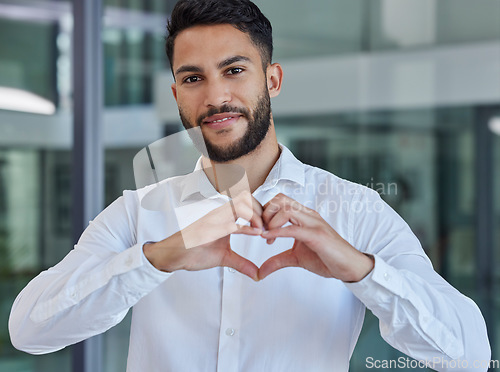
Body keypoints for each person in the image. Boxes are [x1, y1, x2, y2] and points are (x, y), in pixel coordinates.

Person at [9, 0, 490, 371]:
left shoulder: (353, 211)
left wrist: (360, 270)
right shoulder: (141, 213)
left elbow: (466, 353)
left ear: (273, 79)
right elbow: (29, 329)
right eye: (193, 78)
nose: (216, 95)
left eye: (234, 70)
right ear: (177, 94)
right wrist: (155, 259)